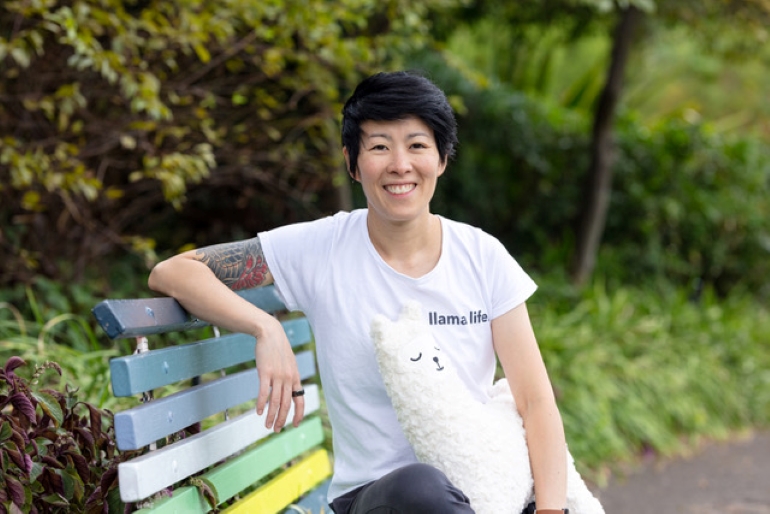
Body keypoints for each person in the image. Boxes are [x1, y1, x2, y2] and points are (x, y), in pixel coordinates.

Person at [148, 70, 568, 514]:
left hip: (481, 486)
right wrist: (264, 327)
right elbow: (172, 271)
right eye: (380, 146)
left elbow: (534, 401)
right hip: (376, 498)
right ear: (352, 162)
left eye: (417, 145)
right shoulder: (321, 248)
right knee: (420, 489)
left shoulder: (483, 257)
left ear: (442, 158)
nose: (400, 164)